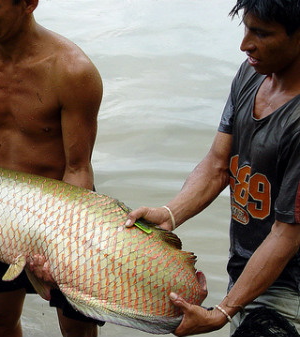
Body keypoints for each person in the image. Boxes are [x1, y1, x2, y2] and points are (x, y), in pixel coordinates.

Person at [124, 0, 300, 336]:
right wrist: (169, 214)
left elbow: (286, 235)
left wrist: (222, 310)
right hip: (246, 269)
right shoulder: (251, 73)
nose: (245, 44)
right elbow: (218, 165)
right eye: (246, 27)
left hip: (289, 292)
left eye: (261, 33)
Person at [0, 0, 103, 336]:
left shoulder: (72, 71)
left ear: (28, 4)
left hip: (61, 213)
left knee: (77, 329)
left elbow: (78, 170)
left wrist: (61, 244)